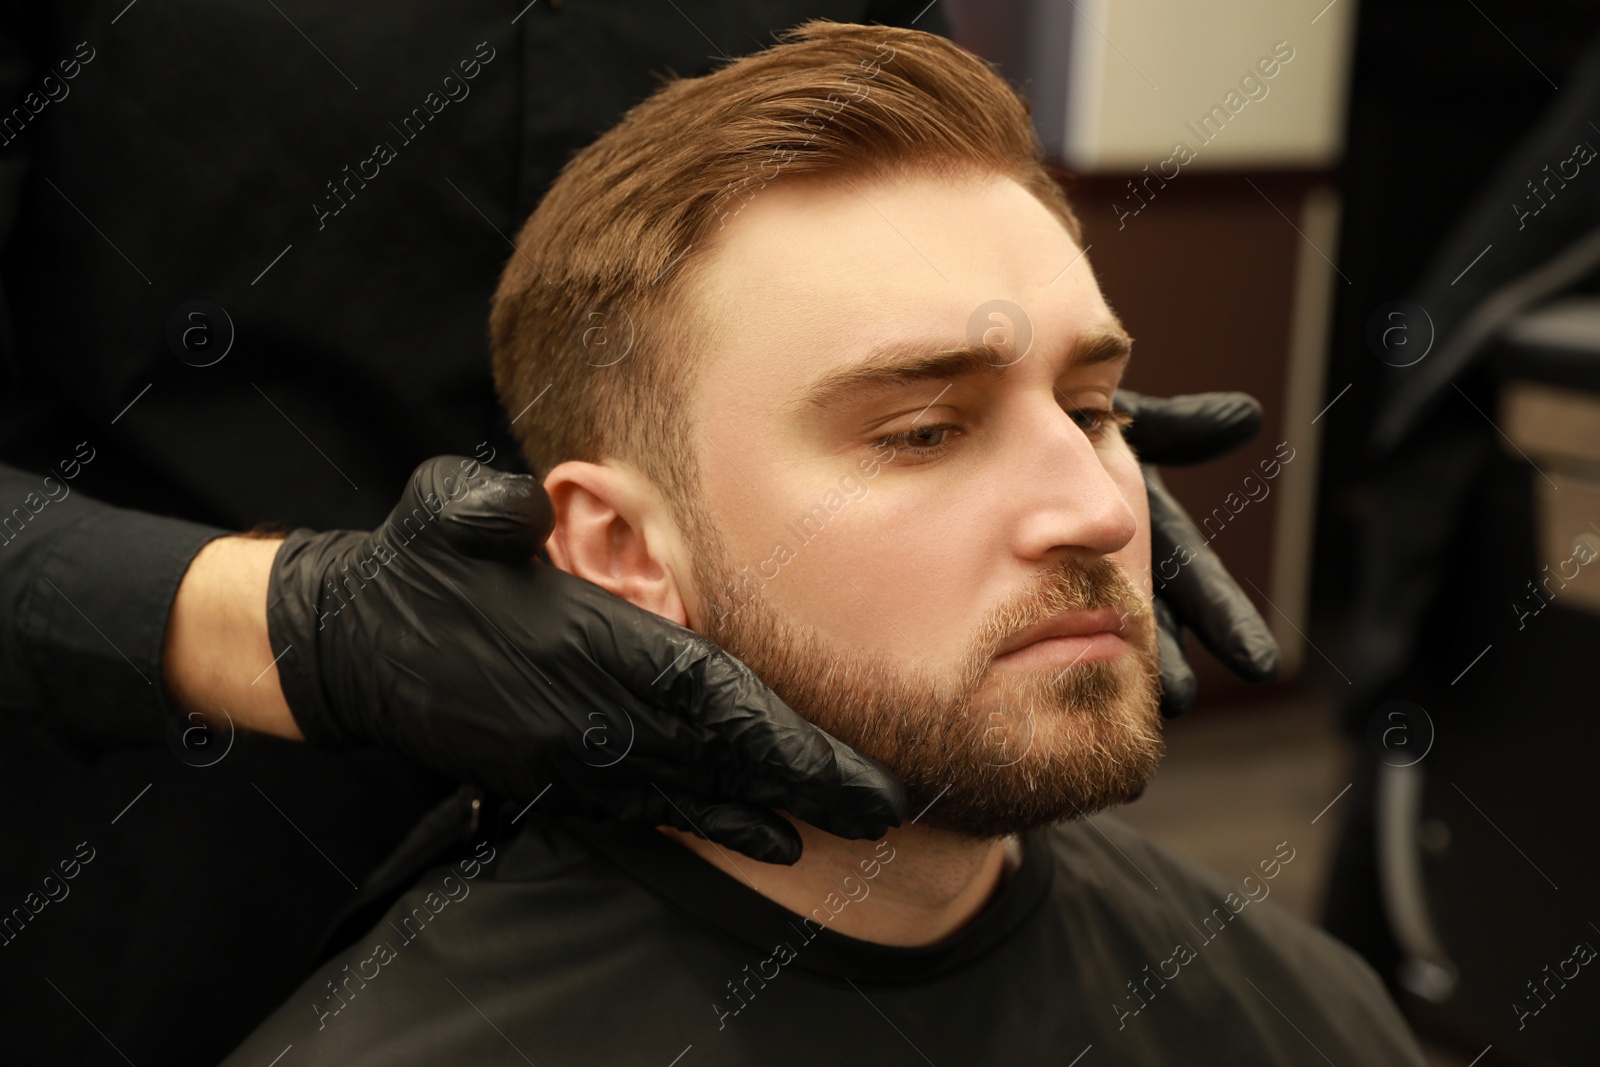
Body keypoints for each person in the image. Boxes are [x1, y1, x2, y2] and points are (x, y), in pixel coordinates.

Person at [0, 4, 1275, 1064]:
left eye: (1097, 413)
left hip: (799, 835)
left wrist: (1023, 424)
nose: (1103, 510)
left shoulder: (1273, 1000)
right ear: (604, 537)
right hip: (176, 816)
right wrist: (286, 624)